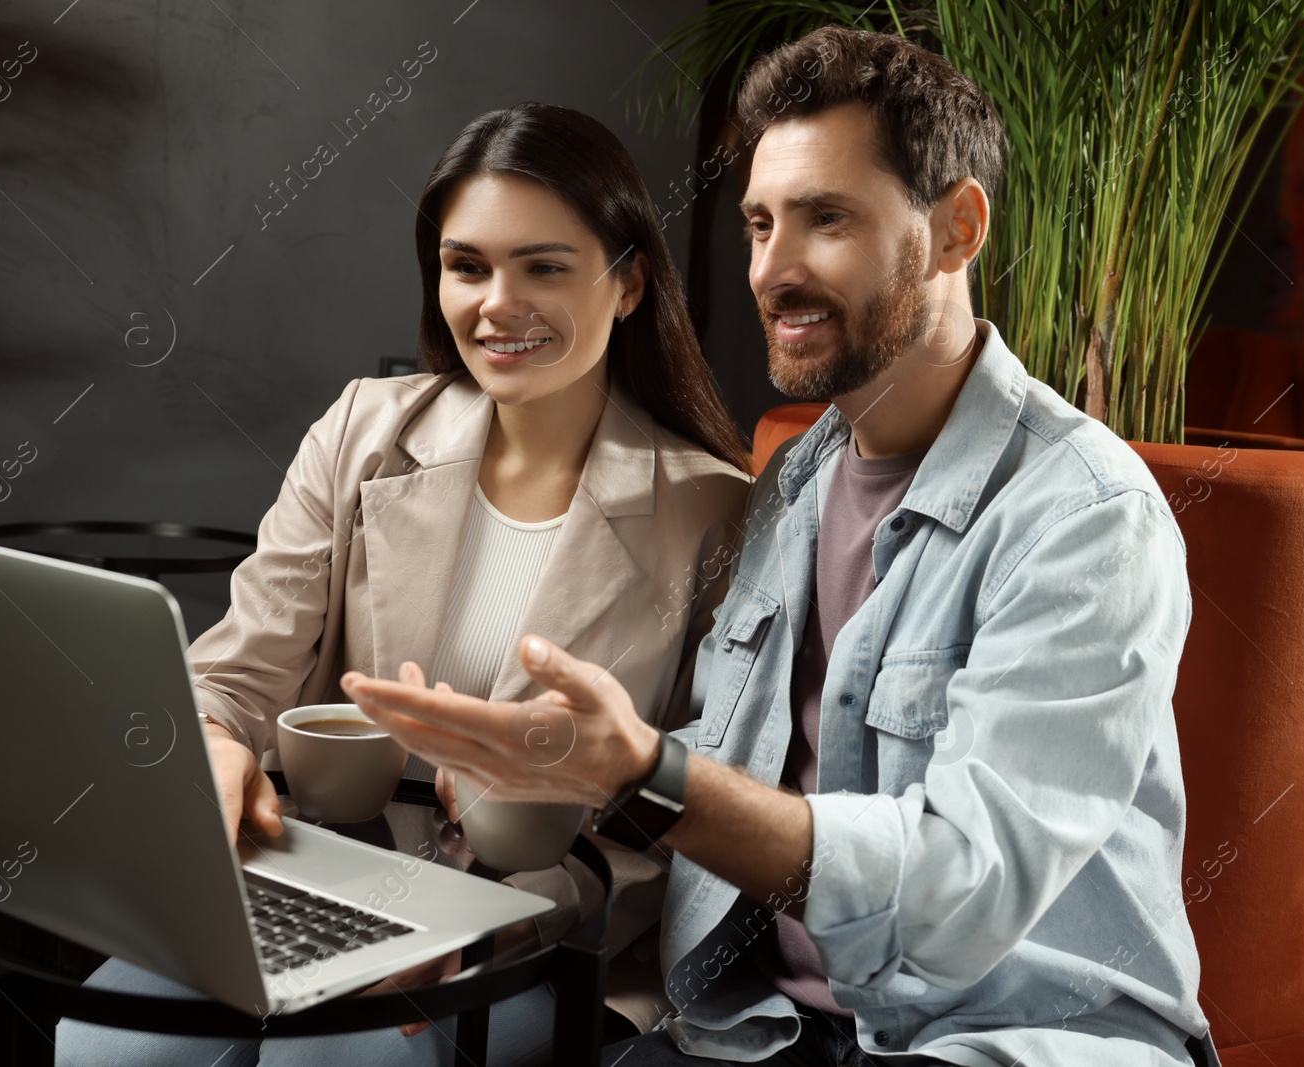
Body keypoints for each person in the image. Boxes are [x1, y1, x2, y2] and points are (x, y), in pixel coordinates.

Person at [340, 25, 1225, 1067]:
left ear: (956, 230)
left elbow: (960, 890)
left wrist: (644, 774)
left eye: (826, 220)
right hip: (761, 1025)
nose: (772, 268)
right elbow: (722, 775)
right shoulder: (791, 488)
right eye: (759, 223)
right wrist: (547, 785)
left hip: (1012, 1033)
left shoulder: (1083, 515)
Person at [54, 101, 752, 1067]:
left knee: (335, 1062)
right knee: (108, 1046)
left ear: (628, 283)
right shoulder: (361, 431)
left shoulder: (715, 510)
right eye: (468, 266)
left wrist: (491, 927)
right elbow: (240, 668)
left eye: (544, 265)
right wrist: (213, 739)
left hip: (534, 930)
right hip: (317, 877)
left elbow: (686, 806)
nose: (496, 303)